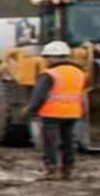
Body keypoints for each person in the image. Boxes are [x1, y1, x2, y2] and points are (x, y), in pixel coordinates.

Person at [28, 40, 86, 179]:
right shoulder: (79, 73)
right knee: (69, 143)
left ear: (53, 56)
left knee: (50, 143)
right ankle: (67, 170)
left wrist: (31, 110)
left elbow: (39, 95)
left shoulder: (50, 74)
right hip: (73, 114)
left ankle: (51, 169)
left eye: (47, 57)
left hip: (51, 114)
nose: (46, 60)